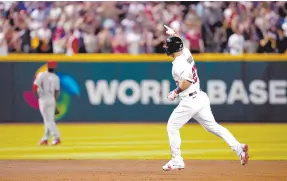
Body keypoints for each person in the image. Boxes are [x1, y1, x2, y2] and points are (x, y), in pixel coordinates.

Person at [162, 25, 249, 171]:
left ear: (172, 49)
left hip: (190, 100)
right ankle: (238, 148)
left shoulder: (179, 63)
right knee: (213, 127)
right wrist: (175, 34)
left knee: (172, 126)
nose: (165, 48)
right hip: (201, 97)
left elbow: (188, 81)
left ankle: (177, 160)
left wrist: (175, 92)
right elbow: (180, 45)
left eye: (167, 46)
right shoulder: (185, 52)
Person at [33, 61, 61, 146]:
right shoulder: (56, 77)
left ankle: (56, 137)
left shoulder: (41, 75)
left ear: (47, 66)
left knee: (48, 120)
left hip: (43, 99)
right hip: (51, 99)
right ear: (54, 68)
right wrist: (55, 103)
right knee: (48, 120)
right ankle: (45, 138)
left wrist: (36, 96)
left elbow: (34, 87)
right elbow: (57, 92)